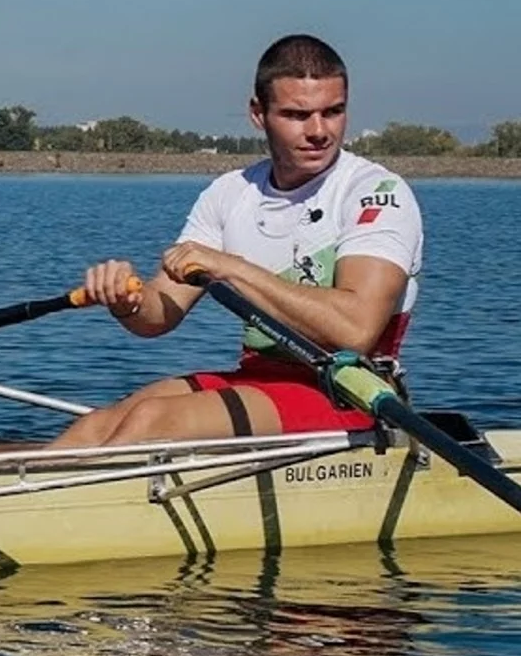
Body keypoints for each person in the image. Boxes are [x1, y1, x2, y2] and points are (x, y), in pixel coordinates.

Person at [50, 34, 422, 448]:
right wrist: (129, 302)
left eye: (333, 112)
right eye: (297, 115)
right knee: (99, 426)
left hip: (349, 390)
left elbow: (356, 329)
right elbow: (160, 314)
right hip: (261, 381)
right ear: (258, 114)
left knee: (154, 421)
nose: (319, 131)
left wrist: (232, 267)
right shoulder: (231, 193)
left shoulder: (377, 192)